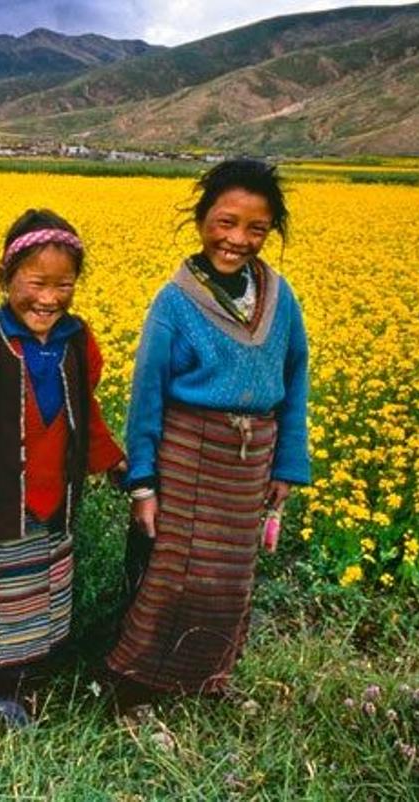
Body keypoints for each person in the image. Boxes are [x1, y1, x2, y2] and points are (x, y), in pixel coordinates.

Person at [105, 158, 311, 706]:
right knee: (172, 576)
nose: (237, 239)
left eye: (256, 228)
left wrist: (287, 467)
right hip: (188, 458)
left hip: (250, 467)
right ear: (201, 221)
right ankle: (136, 690)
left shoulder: (278, 295)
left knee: (230, 581)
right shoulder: (175, 301)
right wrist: (142, 483)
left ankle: (205, 680)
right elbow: (146, 395)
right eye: (225, 222)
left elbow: (295, 378)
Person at [0, 209, 126, 747]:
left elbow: (89, 410)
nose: (50, 298)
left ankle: (2, 686)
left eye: (64, 285)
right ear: (6, 278)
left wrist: (114, 461)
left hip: (49, 504)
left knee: (26, 604)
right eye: (37, 283)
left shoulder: (79, 342)